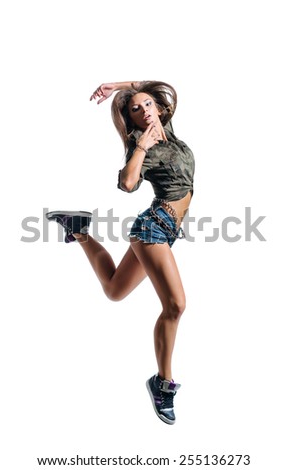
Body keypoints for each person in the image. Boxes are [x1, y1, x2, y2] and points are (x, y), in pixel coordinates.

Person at [46, 81, 195, 425]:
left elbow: (160, 86)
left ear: (158, 108)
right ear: (132, 121)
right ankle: (163, 384)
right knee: (176, 306)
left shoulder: (168, 130)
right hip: (153, 228)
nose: (144, 111)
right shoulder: (139, 144)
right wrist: (140, 146)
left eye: (148, 105)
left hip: (166, 232)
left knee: (114, 290)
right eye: (135, 110)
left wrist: (121, 85)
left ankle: (78, 229)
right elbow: (127, 184)